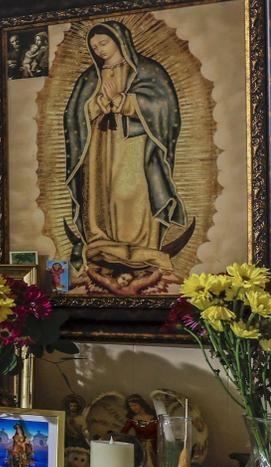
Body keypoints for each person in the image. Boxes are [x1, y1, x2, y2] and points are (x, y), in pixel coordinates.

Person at [61, 20, 191, 286]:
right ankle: (102, 243)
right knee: (101, 192)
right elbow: (73, 114)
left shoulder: (147, 70)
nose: (99, 50)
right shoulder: (90, 77)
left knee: (132, 190)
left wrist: (125, 102)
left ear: (119, 41)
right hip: (99, 145)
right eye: (94, 46)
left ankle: (142, 246)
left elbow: (164, 106)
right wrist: (96, 106)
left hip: (134, 144)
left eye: (103, 43)